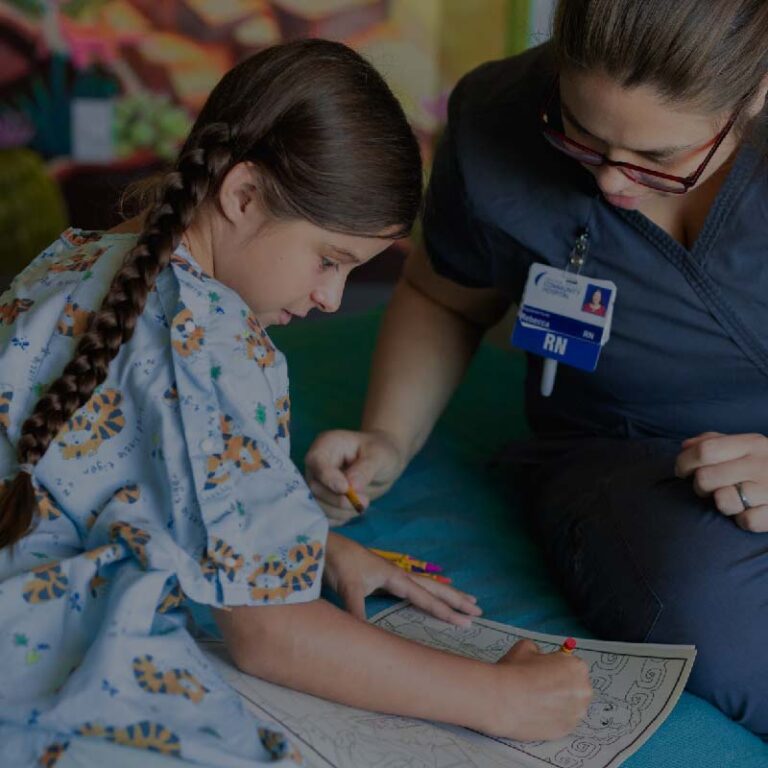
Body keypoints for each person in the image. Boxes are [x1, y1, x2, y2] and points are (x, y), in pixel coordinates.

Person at [0, 40, 591, 766]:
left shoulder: (76, 256)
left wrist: (316, 547)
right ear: (242, 195)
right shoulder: (216, 350)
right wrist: (504, 700)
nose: (330, 299)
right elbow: (270, 635)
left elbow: (110, 468)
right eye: (329, 260)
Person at [305, 0, 768, 740]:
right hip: (633, 451)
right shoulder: (499, 118)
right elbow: (444, 296)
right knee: (716, 617)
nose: (614, 186)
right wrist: (387, 437)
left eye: (660, 160)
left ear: (756, 92)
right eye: (582, 139)